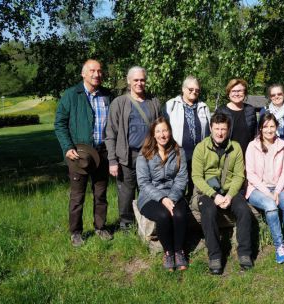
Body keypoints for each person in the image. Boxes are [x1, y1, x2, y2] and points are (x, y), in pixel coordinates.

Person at [54, 59, 113, 247]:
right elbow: (60, 123)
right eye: (92, 71)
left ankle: (100, 227)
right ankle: (76, 232)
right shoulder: (72, 95)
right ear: (83, 74)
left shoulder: (108, 95)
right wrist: (67, 147)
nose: (97, 74)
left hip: (102, 153)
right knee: (77, 196)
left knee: (101, 194)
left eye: (99, 71)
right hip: (79, 155)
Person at [191, 113, 253, 275]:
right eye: (217, 128)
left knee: (244, 211)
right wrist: (214, 196)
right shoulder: (201, 148)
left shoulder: (236, 147)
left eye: (223, 129)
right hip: (207, 192)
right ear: (210, 128)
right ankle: (215, 255)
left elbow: (239, 175)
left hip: (229, 190)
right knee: (209, 211)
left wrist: (230, 195)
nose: (220, 133)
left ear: (228, 130)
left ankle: (245, 252)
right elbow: (197, 177)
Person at [105, 66, 160, 230]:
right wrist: (112, 160)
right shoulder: (119, 103)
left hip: (150, 154)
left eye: (142, 80)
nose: (139, 83)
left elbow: (161, 127)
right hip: (127, 155)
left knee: (148, 189)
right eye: (136, 80)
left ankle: (147, 222)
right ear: (129, 81)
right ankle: (126, 224)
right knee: (126, 192)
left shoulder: (154, 102)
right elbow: (110, 132)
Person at [245, 113, 284, 263]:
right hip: (257, 189)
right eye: (265, 127)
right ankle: (279, 246)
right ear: (260, 128)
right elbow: (250, 174)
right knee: (270, 206)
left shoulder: (283, 145)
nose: (269, 130)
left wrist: (277, 191)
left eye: (272, 126)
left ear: (277, 127)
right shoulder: (252, 146)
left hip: (278, 188)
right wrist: (268, 193)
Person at [136, 117, 189, 271]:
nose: (162, 134)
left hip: (174, 193)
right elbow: (143, 182)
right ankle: (168, 252)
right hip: (150, 197)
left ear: (170, 132)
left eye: (165, 130)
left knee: (179, 214)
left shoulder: (179, 152)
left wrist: (171, 198)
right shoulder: (144, 154)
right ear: (153, 134)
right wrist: (162, 198)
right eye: (158, 131)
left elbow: (181, 178)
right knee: (163, 215)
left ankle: (179, 251)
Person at [162, 75, 211, 195]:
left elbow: (209, 131)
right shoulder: (171, 105)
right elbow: (162, 128)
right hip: (177, 154)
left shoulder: (203, 107)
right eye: (191, 89)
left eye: (197, 90)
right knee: (178, 185)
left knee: (195, 186)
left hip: (198, 155)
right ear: (183, 89)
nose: (194, 92)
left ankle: (193, 211)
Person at [258, 84, 284, 168]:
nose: (276, 96)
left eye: (279, 94)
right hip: (267, 153)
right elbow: (260, 132)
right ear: (270, 97)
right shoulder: (264, 111)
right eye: (273, 95)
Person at [215, 79, 257, 154]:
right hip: (227, 154)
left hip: (247, 155)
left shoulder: (250, 110)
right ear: (229, 93)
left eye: (240, 91)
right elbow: (215, 135)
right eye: (233, 91)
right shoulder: (221, 111)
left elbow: (255, 133)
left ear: (245, 92)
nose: (236, 94)